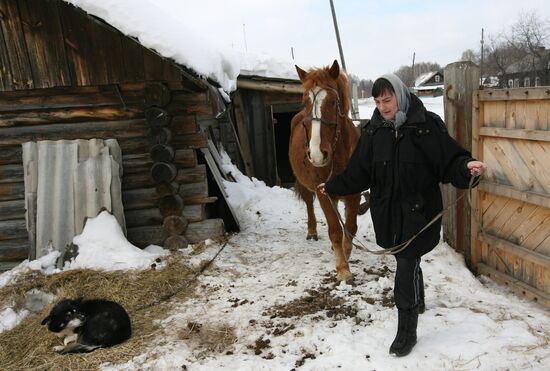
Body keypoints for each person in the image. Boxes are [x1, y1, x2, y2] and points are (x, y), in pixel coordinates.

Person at [318, 74, 486, 357]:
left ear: (400, 95)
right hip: (388, 214)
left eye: (388, 99)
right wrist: (333, 186)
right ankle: (419, 299)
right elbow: (359, 172)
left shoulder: (426, 126)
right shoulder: (373, 132)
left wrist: (466, 167)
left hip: (419, 214)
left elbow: (450, 160)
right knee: (406, 258)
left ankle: (406, 331)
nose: (383, 106)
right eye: (378, 101)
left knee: (404, 268)